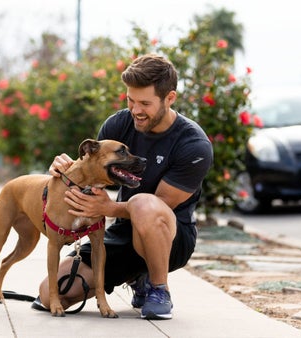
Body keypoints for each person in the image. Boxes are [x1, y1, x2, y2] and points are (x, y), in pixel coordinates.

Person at [34, 53, 213, 320]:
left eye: (145, 103)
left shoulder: (193, 144)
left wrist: (108, 207)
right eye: (130, 100)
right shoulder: (118, 125)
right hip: (122, 232)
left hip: (170, 236)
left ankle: (158, 287)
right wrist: (64, 170)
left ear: (170, 98)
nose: (136, 110)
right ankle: (136, 277)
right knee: (51, 294)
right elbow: (91, 171)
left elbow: (160, 205)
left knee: (144, 203)